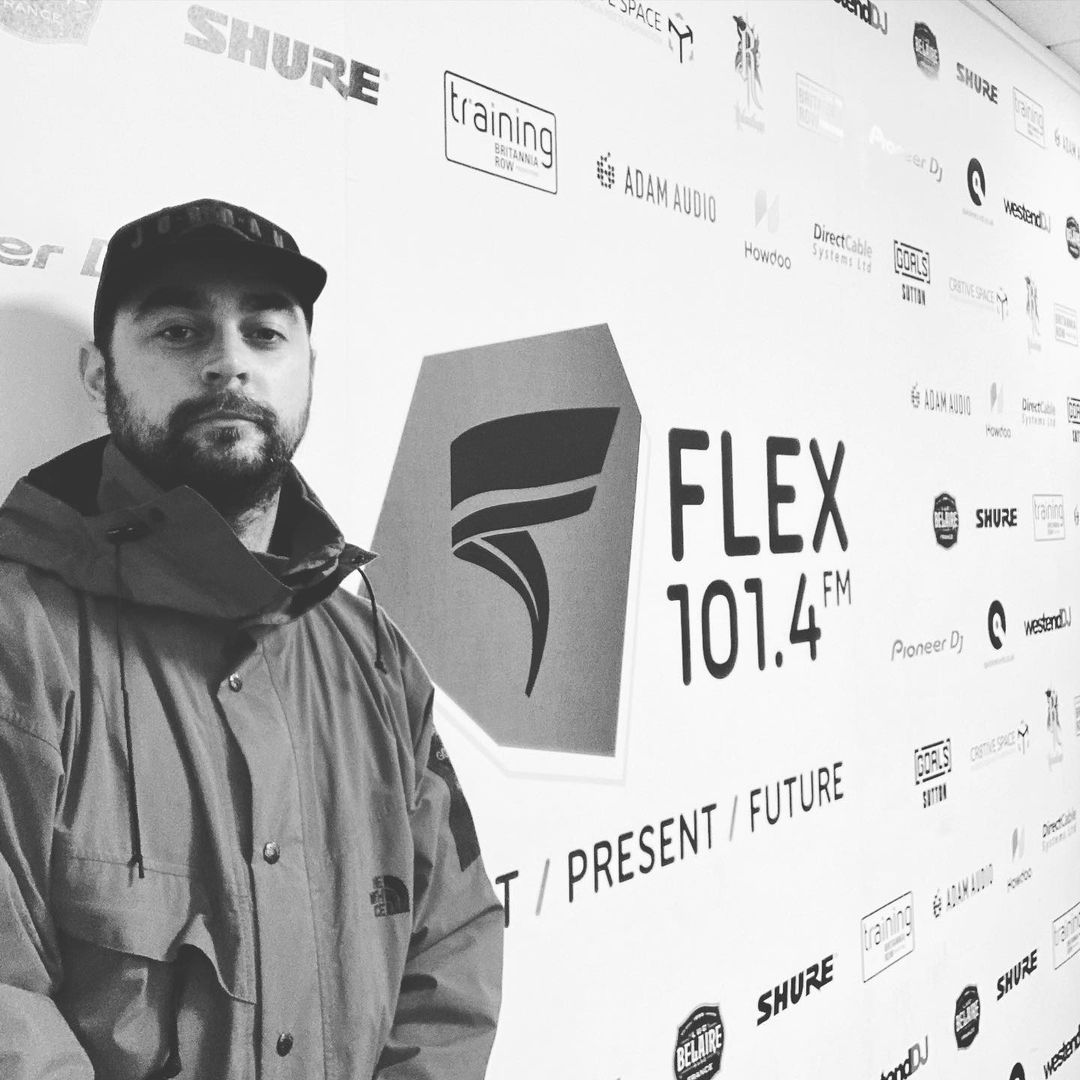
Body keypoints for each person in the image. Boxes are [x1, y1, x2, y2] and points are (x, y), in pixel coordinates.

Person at [0, 198, 503, 1078]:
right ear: (98, 375)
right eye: (179, 331)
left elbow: (452, 944)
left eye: (264, 334)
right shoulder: (21, 641)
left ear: (309, 372)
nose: (229, 362)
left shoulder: (373, 655)